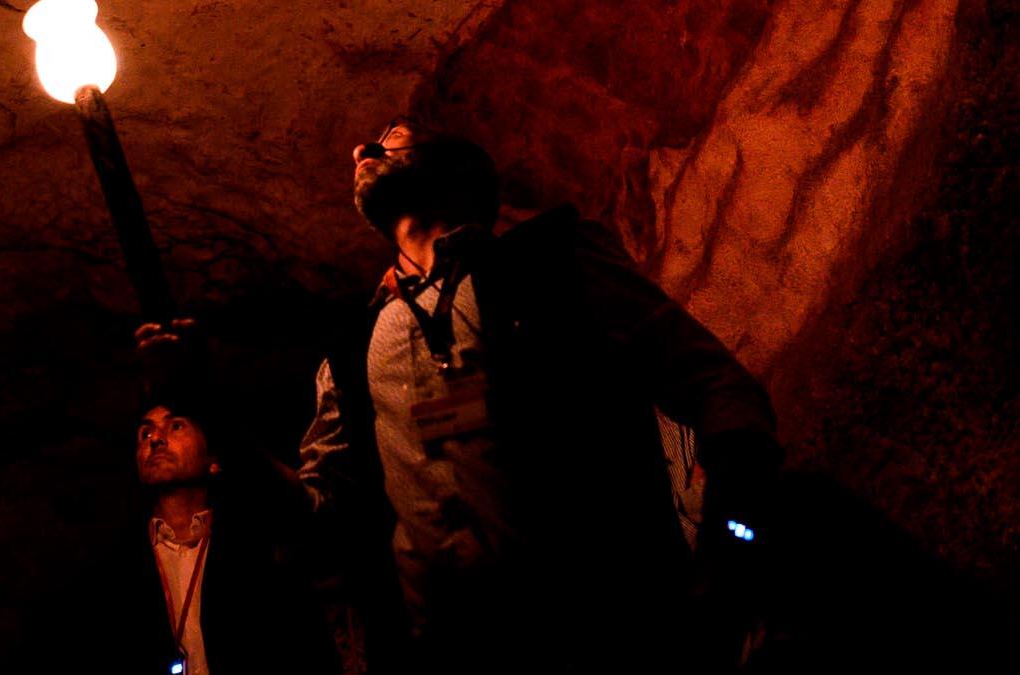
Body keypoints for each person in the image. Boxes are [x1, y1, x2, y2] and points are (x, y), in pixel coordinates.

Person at [150, 121, 780, 672]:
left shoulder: (555, 259)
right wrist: (208, 411)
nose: (362, 147)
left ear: (458, 170)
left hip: (615, 632)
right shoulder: (348, 354)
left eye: (395, 141)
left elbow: (714, 384)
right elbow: (319, 518)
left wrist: (731, 551)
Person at [76, 393, 340, 675]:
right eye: (145, 433)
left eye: (175, 426)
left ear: (212, 460)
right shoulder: (115, 565)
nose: (155, 439)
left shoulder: (255, 548)